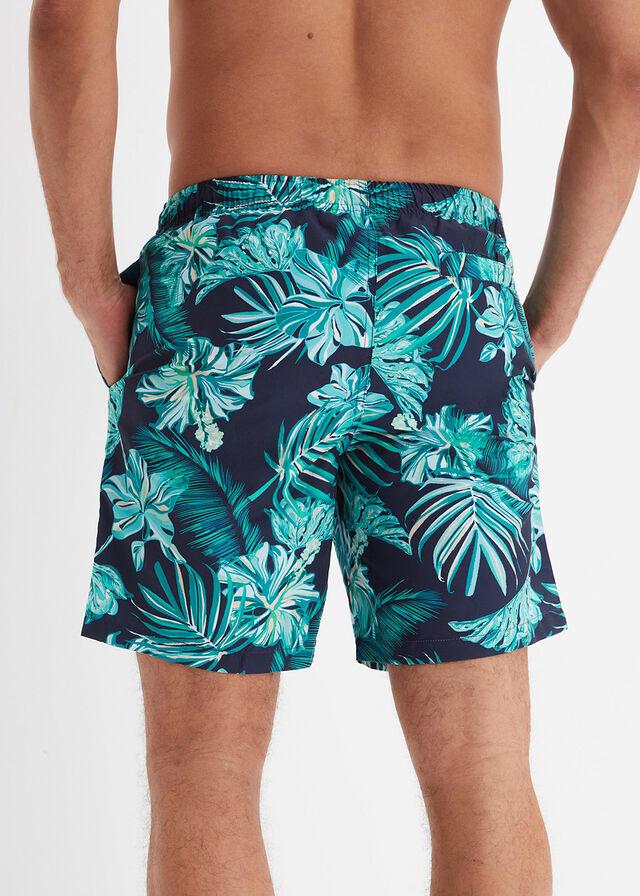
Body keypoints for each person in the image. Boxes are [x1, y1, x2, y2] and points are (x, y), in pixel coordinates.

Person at [29, 1, 640, 893]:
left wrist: (88, 284)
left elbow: (67, 20)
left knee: (205, 777)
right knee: (483, 776)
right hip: (447, 284)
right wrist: (545, 320)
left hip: (240, 275)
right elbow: (624, 70)